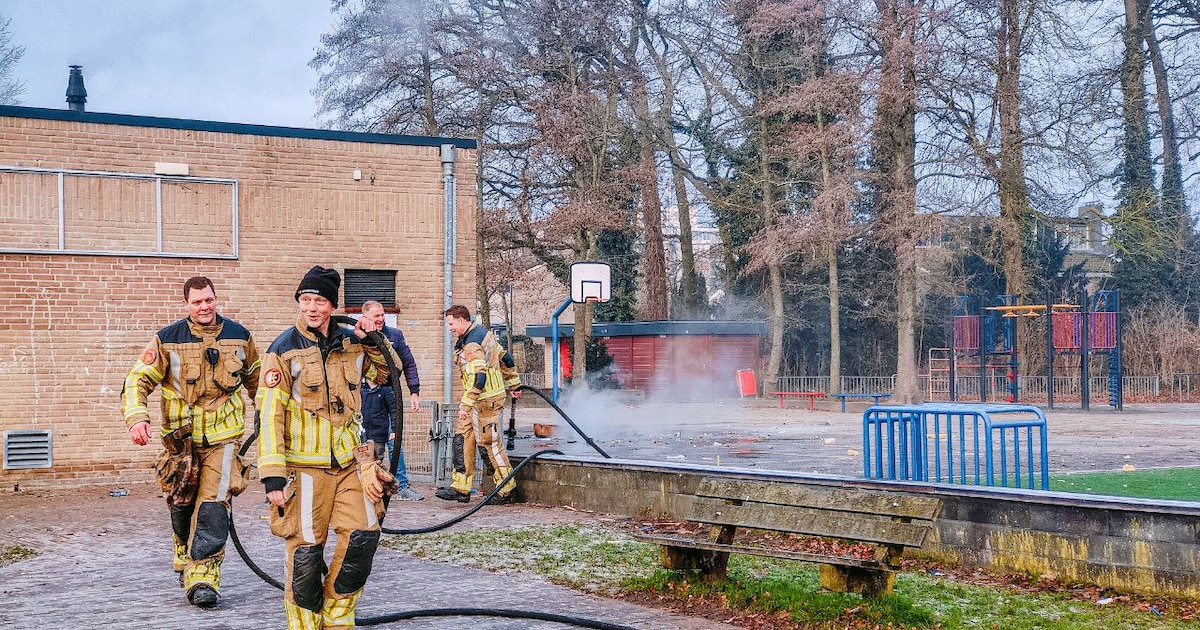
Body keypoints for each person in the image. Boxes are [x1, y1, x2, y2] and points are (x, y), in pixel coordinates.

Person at [256, 266, 397, 630]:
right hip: (304, 469)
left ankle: (337, 616)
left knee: (364, 537)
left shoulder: (353, 342)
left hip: (352, 463)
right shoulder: (283, 349)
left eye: (319, 300)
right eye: (306, 300)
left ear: (332, 305)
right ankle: (304, 624)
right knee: (305, 552)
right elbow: (269, 416)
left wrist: (372, 340)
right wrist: (272, 477)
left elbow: (389, 373)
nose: (312, 307)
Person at [121, 276, 260, 608]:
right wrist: (136, 416)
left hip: (224, 438)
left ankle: (204, 577)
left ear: (216, 299)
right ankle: (182, 548)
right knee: (182, 505)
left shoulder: (239, 337)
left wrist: (269, 421)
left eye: (209, 300)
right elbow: (137, 379)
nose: (204, 307)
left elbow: (259, 384)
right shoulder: (167, 339)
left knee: (213, 505)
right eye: (197, 302)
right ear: (186, 304)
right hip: (180, 441)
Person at [436, 304, 522, 504]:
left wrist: (465, 405)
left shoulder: (472, 343)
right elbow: (506, 358)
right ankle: (461, 487)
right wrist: (514, 384)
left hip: (485, 402)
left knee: (489, 445)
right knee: (463, 439)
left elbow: (479, 378)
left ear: (461, 319)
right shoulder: (484, 334)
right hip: (478, 401)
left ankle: (507, 490)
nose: (450, 328)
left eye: (451, 324)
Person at [359, 300, 424, 501]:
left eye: (382, 315)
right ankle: (372, 484)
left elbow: (409, 363)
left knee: (394, 438)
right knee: (370, 441)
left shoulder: (395, 335)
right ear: (365, 317)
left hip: (390, 390)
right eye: (375, 316)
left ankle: (402, 485)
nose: (380, 319)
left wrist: (414, 391)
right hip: (369, 394)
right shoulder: (359, 336)